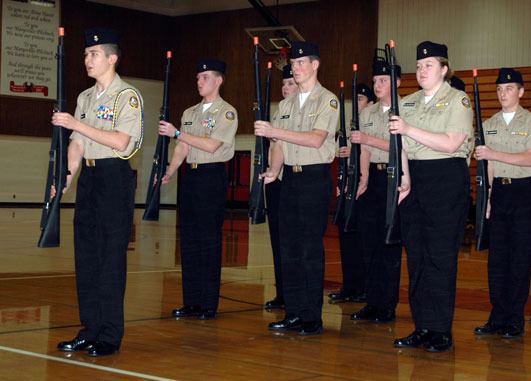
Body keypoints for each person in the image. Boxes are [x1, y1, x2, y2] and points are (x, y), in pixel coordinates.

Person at [54, 27, 143, 356]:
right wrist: (65, 176)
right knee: (86, 257)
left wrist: (75, 125)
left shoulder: (127, 96)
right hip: (89, 180)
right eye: (85, 55)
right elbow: (77, 144)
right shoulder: (85, 98)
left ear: (112, 59)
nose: (87, 60)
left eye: (93, 55)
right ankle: (89, 328)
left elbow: (122, 141)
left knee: (109, 257)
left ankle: (109, 334)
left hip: (114, 178)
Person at [390, 41, 473, 352]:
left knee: (440, 258)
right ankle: (421, 326)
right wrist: (406, 179)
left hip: (445, 179)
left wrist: (409, 130)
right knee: (417, 259)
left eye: (429, 65)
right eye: (419, 65)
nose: (422, 70)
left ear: (444, 69)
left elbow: (452, 143)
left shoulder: (457, 100)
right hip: (416, 180)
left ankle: (441, 330)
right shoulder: (408, 102)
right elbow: (401, 148)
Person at [254, 41, 339, 335]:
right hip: (289, 178)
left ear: (315, 65)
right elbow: (278, 145)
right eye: (293, 63)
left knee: (309, 249)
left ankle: (311, 316)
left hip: (314, 179)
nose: (296, 68)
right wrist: (273, 170)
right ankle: (293, 311)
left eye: (302, 63)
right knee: (288, 247)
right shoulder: (286, 105)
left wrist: (273, 130)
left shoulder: (327, 100)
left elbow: (316, 139)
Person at [158, 59, 238, 320]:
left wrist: (177, 134)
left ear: (219, 80)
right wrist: (171, 169)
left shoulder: (227, 112)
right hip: (189, 178)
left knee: (208, 241)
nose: (199, 82)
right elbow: (183, 147)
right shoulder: (190, 113)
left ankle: (207, 303)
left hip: (211, 176)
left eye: (205, 77)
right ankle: (191, 301)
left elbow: (212, 146)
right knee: (189, 242)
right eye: (197, 78)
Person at [474, 68, 531, 338]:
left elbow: (530, 159)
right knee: (497, 259)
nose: (503, 93)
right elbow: (490, 165)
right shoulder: (489, 123)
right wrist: (490, 198)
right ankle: (497, 315)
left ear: (521, 92)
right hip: (501, 194)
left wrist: (493, 153)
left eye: (509, 89)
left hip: (524, 192)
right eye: (499, 89)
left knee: (519, 257)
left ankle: (515, 318)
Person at [348, 59, 403, 322]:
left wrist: (367, 140)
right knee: (369, 242)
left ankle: (387, 305)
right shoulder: (367, 114)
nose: (377, 85)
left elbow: (400, 146)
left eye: (383, 80)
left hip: (395, 178)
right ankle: (372, 301)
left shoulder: (406, 109)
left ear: (397, 82)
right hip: (373, 180)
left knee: (388, 244)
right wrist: (364, 176)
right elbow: (365, 150)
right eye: (375, 81)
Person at [328, 82, 374, 304]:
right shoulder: (349, 125)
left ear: (370, 103)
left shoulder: (373, 125)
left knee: (363, 240)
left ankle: (364, 287)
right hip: (348, 185)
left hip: (366, 186)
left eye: (361, 99)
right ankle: (349, 285)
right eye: (354, 100)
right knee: (346, 237)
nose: (357, 104)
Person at [264, 64, 299, 310]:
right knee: (278, 241)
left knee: (294, 242)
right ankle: (282, 292)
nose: (286, 88)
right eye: (284, 84)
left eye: (291, 84)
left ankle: (295, 294)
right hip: (276, 179)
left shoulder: (304, 111)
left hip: (295, 179)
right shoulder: (279, 112)